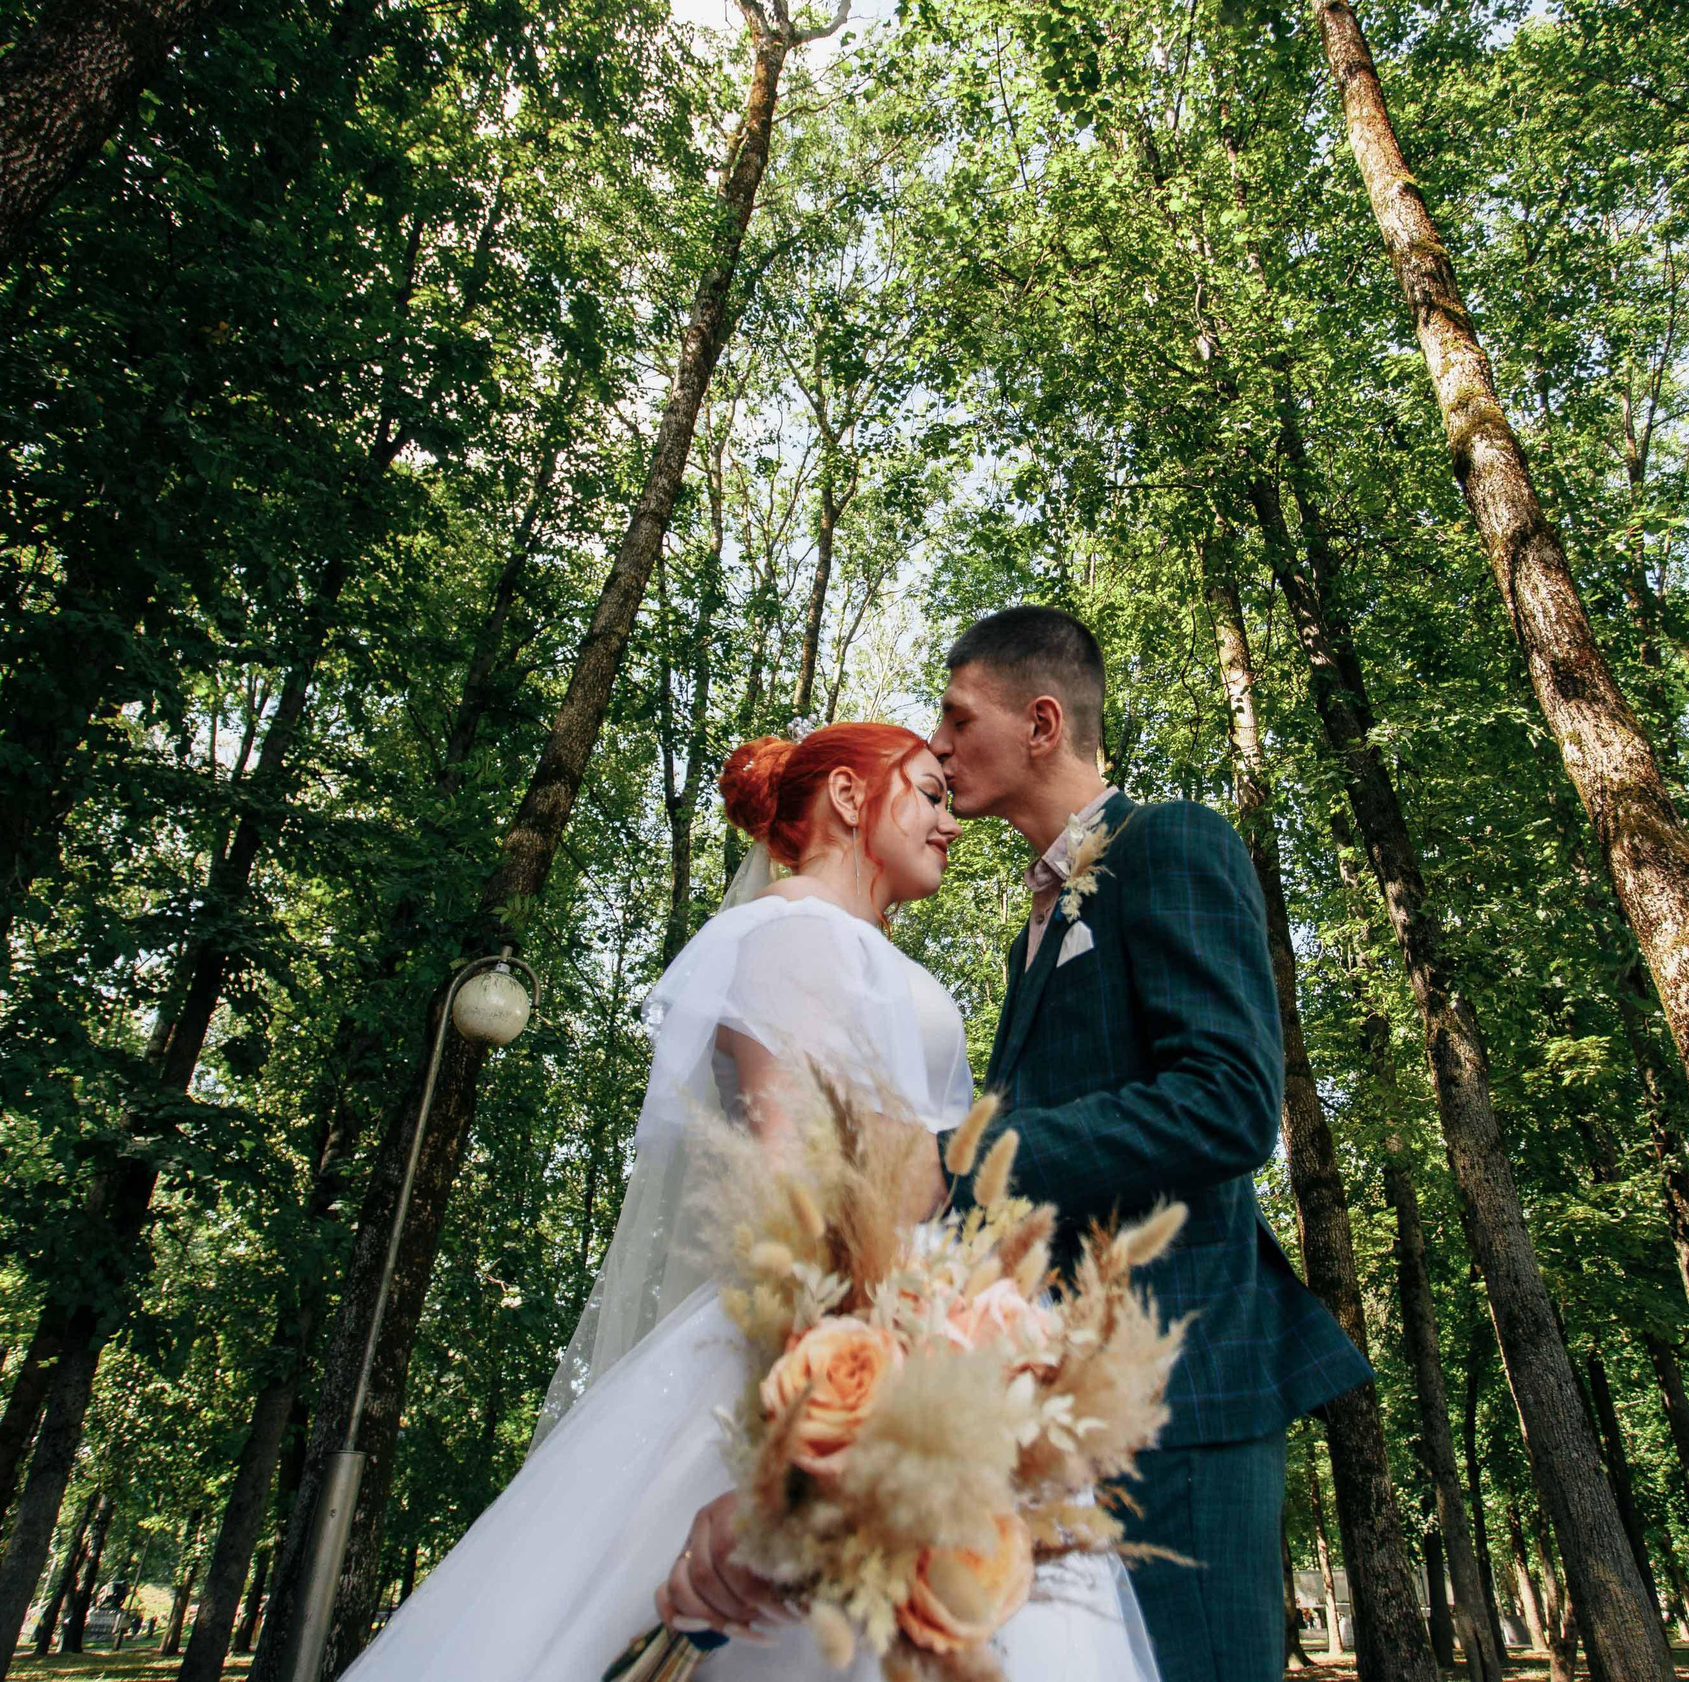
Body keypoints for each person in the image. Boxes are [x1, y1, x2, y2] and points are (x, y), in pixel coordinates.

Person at [338, 721, 1158, 1682]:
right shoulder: (792, 934)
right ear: (852, 799)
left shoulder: (851, 945)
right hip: (824, 1347)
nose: (950, 822)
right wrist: (813, 1444)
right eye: (929, 794)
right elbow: (798, 1203)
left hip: (919, 1336)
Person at [930, 606, 1370, 1682]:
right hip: (1060, 1386)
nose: (935, 748)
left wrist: (962, 1156)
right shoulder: (1028, 930)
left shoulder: (1170, 842)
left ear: (1041, 722)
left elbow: (1226, 1102)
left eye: (953, 718)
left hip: (1184, 1379)